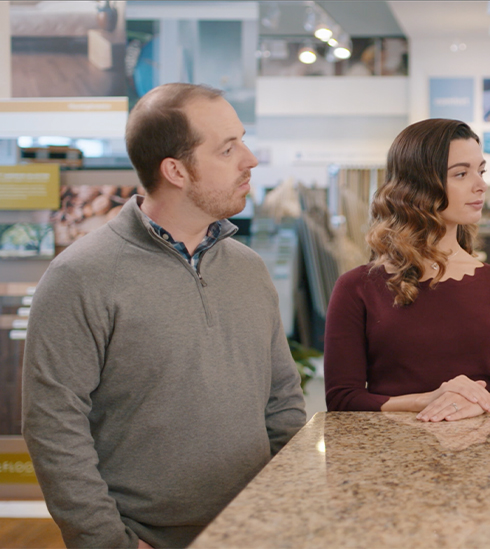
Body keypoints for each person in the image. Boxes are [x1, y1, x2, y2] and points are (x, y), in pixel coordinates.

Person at [22, 83, 306, 548]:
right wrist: (110, 542)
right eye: (228, 148)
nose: (250, 159)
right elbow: (53, 426)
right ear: (176, 170)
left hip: (256, 530)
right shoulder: (80, 276)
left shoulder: (248, 270)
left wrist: (285, 507)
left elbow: (281, 400)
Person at [324, 118, 490, 420]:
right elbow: (342, 399)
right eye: (461, 173)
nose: (481, 185)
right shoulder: (357, 287)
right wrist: (428, 401)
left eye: (481, 171)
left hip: (484, 459)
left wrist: (479, 403)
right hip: (387, 457)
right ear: (418, 183)